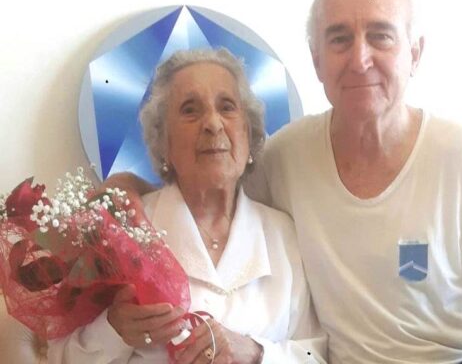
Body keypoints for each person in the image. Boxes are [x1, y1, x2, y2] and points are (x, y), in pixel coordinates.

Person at [105, 0, 462, 363]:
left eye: (380, 36)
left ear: (415, 53)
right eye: (339, 39)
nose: (359, 59)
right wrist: (124, 188)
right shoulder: (287, 156)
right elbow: (207, 181)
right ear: (317, 60)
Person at [47, 48, 326, 364]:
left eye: (227, 107)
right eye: (190, 110)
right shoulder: (122, 230)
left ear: (248, 135)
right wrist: (113, 330)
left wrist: (255, 352)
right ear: (163, 142)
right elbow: (60, 357)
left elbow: (314, 355)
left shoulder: (284, 234)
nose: (213, 123)